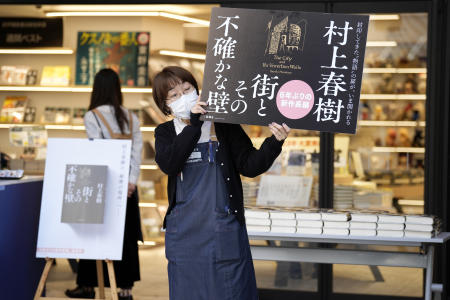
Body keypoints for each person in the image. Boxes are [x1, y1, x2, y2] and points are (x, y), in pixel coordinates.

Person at [152, 66, 290, 300]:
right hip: (184, 234)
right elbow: (170, 164)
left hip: (223, 229)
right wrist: (194, 125)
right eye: (174, 95)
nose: (183, 97)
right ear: (165, 105)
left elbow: (249, 165)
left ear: (197, 90)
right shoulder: (165, 132)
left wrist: (274, 143)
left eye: (187, 89)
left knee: (231, 291)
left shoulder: (223, 125)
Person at [65, 68, 143, 300]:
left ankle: (88, 285)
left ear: (96, 89)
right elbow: (136, 153)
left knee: (94, 233)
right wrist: (130, 182)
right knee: (127, 236)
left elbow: (97, 153)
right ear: (118, 89)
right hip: (128, 188)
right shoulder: (132, 117)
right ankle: (125, 290)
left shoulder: (93, 116)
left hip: (103, 185)